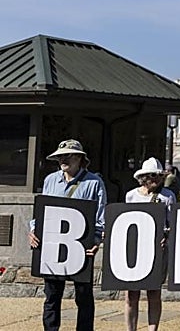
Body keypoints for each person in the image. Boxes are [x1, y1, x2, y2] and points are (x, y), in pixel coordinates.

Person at [30, 139, 107, 331]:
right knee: (52, 296)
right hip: (52, 245)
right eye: (60, 156)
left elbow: (100, 217)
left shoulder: (94, 183)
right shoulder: (50, 180)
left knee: (83, 297)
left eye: (68, 155)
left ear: (80, 158)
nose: (63, 159)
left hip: (81, 247)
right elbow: (40, 211)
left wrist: (96, 241)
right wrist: (34, 231)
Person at [124, 158, 176, 331]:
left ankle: (152, 329)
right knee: (131, 295)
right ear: (143, 177)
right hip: (135, 250)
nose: (155, 179)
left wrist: (167, 236)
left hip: (157, 251)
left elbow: (172, 223)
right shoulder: (131, 195)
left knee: (154, 293)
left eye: (158, 175)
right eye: (151, 175)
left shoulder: (167, 196)